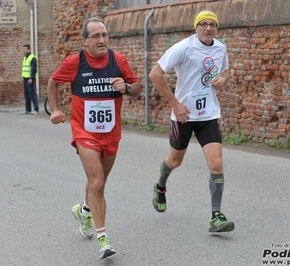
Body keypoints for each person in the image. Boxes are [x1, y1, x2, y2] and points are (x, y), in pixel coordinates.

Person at [46, 17, 142, 259]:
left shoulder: (118, 60)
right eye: (96, 36)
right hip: (84, 132)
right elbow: (53, 82)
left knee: (98, 184)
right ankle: (103, 239)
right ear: (85, 41)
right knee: (97, 182)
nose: (102, 40)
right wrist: (55, 110)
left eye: (105, 35)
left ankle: (84, 209)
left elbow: (138, 87)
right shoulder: (74, 62)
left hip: (111, 133)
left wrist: (127, 88)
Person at [149, 10, 235, 233]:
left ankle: (216, 216)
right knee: (175, 160)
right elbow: (155, 75)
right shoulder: (183, 48)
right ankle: (160, 186)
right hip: (183, 117)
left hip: (209, 115)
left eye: (212, 25)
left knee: (216, 163)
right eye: (203, 24)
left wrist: (222, 80)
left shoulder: (220, 48)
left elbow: (225, 71)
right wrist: (175, 104)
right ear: (196, 27)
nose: (208, 28)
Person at [22, 44, 39, 114]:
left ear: (29, 49)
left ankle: (36, 109)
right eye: (23, 49)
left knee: (32, 94)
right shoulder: (25, 58)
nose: (24, 51)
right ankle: (28, 109)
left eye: (25, 49)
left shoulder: (32, 58)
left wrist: (31, 78)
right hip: (25, 78)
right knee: (27, 94)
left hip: (30, 78)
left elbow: (33, 69)